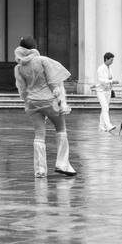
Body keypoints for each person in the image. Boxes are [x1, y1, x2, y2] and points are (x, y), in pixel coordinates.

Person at [15, 36, 76, 177]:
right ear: (34, 47)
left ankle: (40, 169)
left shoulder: (18, 67)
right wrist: (62, 102)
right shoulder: (43, 61)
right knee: (61, 130)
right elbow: (54, 83)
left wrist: (27, 101)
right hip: (49, 101)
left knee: (39, 135)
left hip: (32, 102)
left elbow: (22, 89)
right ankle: (62, 164)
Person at [95, 51, 118, 132]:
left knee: (104, 108)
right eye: (111, 60)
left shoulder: (110, 68)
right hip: (101, 91)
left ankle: (101, 126)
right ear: (106, 59)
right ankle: (108, 125)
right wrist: (111, 81)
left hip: (108, 90)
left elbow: (110, 78)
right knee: (105, 107)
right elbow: (101, 80)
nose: (112, 62)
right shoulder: (101, 68)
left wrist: (112, 84)